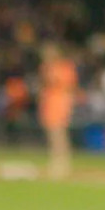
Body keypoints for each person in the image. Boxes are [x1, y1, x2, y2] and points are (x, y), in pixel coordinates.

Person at [37, 42, 79, 179]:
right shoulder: (46, 67)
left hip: (59, 102)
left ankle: (63, 162)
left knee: (59, 133)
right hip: (49, 102)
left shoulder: (65, 67)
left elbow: (68, 86)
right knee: (52, 133)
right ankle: (55, 160)